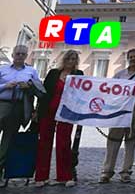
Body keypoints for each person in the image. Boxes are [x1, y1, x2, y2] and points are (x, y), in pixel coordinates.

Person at [100, 49, 135, 184]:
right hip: (119, 113)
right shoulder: (119, 75)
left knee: (131, 143)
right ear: (128, 58)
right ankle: (107, 171)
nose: (133, 59)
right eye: (131, 57)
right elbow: (110, 92)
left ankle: (126, 172)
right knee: (112, 143)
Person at [34, 50, 83, 188]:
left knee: (64, 143)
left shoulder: (79, 75)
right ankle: (41, 177)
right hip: (48, 110)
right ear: (64, 59)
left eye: (74, 59)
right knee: (44, 142)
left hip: (67, 112)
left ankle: (65, 176)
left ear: (76, 61)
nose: (71, 61)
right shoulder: (53, 73)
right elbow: (44, 93)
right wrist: (37, 111)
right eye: (68, 58)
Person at [0, 45, 41, 180]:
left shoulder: (31, 71)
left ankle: (0, 171)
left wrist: (29, 86)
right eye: (18, 54)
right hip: (2, 104)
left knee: (8, 139)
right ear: (12, 55)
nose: (20, 56)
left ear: (26, 55)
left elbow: (39, 89)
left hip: (19, 107)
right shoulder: (2, 69)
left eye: (23, 54)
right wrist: (5, 86)